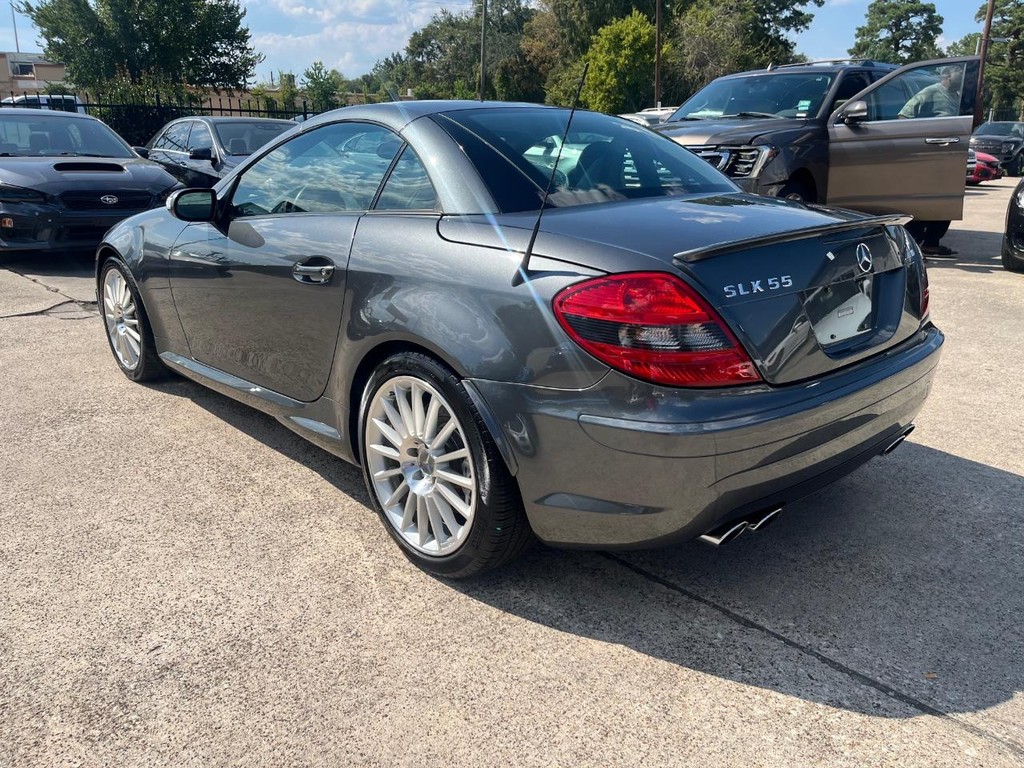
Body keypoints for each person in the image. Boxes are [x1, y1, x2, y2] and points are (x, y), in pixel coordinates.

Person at [898, 66, 965, 257]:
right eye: (960, 73)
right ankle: (914, 243)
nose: (963, 77)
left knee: (947, 201)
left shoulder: (957, 96)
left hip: (950, 156)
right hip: (931, 156)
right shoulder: (930, 92)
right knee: (926, 200)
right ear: (946, 76)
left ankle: (932, 242)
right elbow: (904, 116)